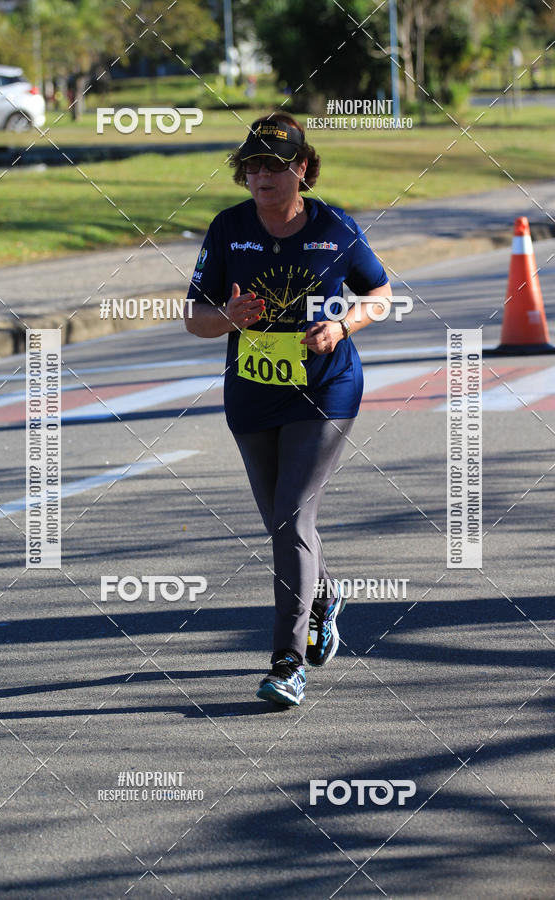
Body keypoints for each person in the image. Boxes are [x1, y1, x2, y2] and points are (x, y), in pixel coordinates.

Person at [184, 113, 392, 707]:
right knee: (282, 521)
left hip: (326, 388)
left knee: (292, 517)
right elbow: (194, 317)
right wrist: (228, 318)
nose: (261, 175)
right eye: (251, 165)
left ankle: (287, 662)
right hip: (253, 391)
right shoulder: (229, 228)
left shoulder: (334, 227)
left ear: (301, 168)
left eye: (274, 165)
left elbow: (380, 295)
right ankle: (324, 596)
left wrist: (342, 325)